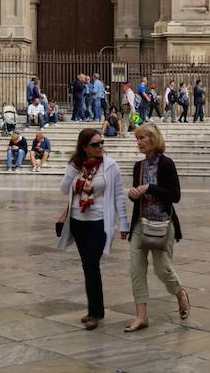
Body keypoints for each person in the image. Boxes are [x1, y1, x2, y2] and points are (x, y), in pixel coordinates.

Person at [59, 126, 128, 330]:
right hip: (78, 221)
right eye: (95, 144)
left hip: (99, 222)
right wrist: (74, 170)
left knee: (91, 264)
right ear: (85, 148)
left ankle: (94, 313)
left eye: (102, 143)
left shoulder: (110, 166)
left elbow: (118, 196)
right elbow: (64, 189)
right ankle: (96, 310)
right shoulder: (76, 166)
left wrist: (123, 223)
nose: (100, 147)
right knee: (88, 265)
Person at [124, 122, 189, 330]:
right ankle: (141, 316)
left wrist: (150, 188)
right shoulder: (138, 166)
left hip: (163, 224)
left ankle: (180, 294)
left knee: (163, 270)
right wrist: (133, 194)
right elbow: (138, 197)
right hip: (140, 224)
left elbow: (175, 196)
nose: (139, 142)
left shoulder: (167, 164)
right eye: (137, 139)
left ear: (153, 139)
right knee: (136, 270)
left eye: (142, 138)